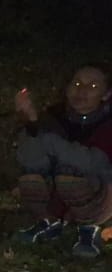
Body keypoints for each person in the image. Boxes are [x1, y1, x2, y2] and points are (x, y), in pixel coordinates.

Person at [14, 62, 112, 258]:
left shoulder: (108, 123)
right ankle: (48, 222)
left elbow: (93, 163)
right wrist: (32, 125)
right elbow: (28, 160)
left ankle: (89, 229)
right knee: (31, 176)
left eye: (92, 86)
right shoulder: (54, 116)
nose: (81, 91)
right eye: (76, 83)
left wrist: (49, 142)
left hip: (102, 196)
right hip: (61, 195)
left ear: (106, 94)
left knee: (70, 174)